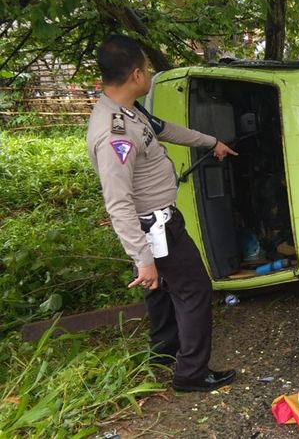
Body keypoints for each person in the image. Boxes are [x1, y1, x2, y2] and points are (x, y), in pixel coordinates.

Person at [86, 34, 238, 392]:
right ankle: (191, 374)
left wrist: (210, 142)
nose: (152, 73)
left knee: (161, 290)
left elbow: (163, 129)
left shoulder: (126, 110)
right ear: (136, 74)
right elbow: (118, 202)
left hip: (157, 222)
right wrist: (142, 258)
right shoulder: (113, 134)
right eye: (149, 67)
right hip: (153, 227)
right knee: (195, 289)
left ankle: (164, 351)